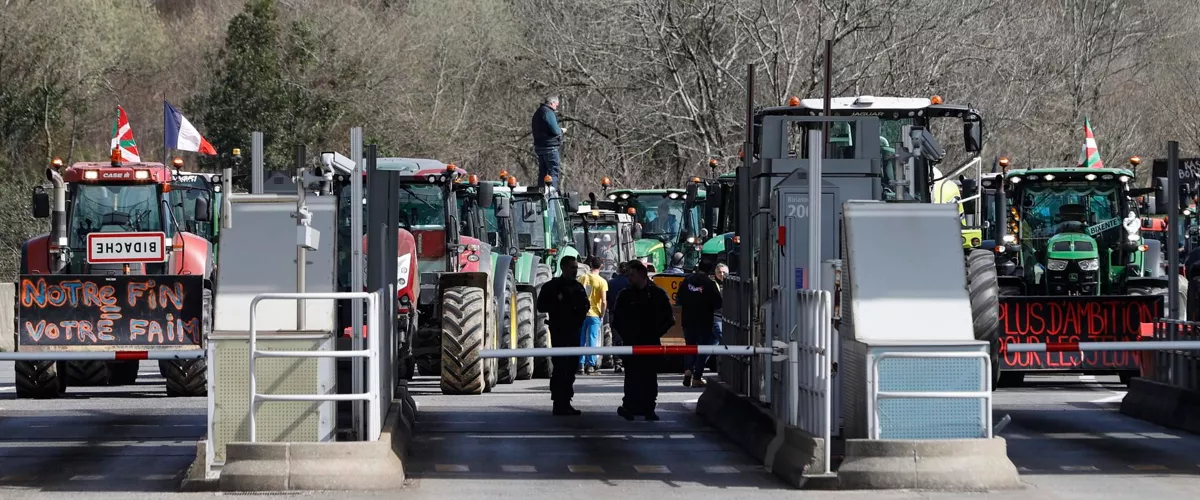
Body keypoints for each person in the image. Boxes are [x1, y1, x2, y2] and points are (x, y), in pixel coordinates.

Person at [613, 259, 675, 420]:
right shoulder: (625, 295)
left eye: (632, 275)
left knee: (649, 376)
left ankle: (648, 408)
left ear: (642, 275)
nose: (629, 279)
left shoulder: (657, 295)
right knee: (632, 376)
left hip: (650, 344)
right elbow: (617, 320)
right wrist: (625, 337)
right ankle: (630, 407)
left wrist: (654, 334)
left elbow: (669, 319)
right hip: (631, 344)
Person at [536, 256, 590, 415]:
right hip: (559, 331)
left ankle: (566, 400)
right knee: (560, 367)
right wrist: (559, 304)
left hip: (574, 331)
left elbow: (585, 305)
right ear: (564, 268)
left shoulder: (578, 287)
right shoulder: (552, 286)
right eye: (572, 268)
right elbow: (541, 306)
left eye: (576, 268)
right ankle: (558, 401)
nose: (575, 271)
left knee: (571, 366)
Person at [676, 260, 723, 388]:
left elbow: (678, 299)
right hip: (704, 320)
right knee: (702, 348)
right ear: (710, 271)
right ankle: (697, 377)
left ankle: (687, 370)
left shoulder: (687, 281)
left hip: (687, 319)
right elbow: (718, 303)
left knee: (689, 346)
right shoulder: (710, 284)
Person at [577, 256, 608, 375]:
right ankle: (590, 366)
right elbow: (604, 301)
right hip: (595, 314)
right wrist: (602, 314)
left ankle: (580, 364)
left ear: (590, 264)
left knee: (582, 339)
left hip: (582, 314)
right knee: (592, 339)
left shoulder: (582, 277)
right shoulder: (602, 282)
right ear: (601, 266)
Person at [531, 96, 566, 191]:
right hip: (550, 148)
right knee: (553, 172)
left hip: (539, 147)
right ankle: (552, 197)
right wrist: (561, 130)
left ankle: (540, 195)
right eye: (556, 105)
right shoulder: (548, 113)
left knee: (542, 172)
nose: (556, 107)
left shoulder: (537, 113)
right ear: (552, 103)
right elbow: (555, 130)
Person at [606, 261, 631, 373]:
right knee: (629, 338)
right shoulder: (630, 283)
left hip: (614, 313)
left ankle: (618, 363)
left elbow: (607, 299)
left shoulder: (611, 283)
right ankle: (628, 362)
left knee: (616, 339)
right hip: (628, 314)